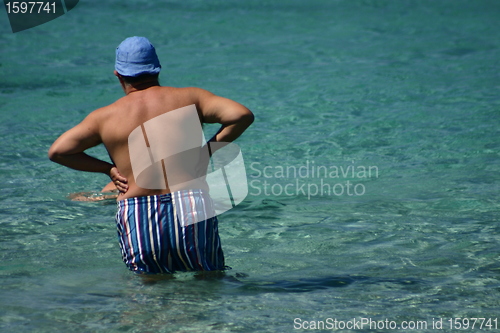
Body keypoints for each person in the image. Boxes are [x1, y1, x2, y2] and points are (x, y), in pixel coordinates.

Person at [48, 36, 254, 274]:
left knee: (147, 292)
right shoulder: (191, 98)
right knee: (207, 280)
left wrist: (108, 169)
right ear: (156, 69)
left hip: (138, 210)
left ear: (118, 74)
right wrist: (207, 152)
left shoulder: (105, 117)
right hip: (189, 202)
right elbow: (242, 115)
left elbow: (59, 151)